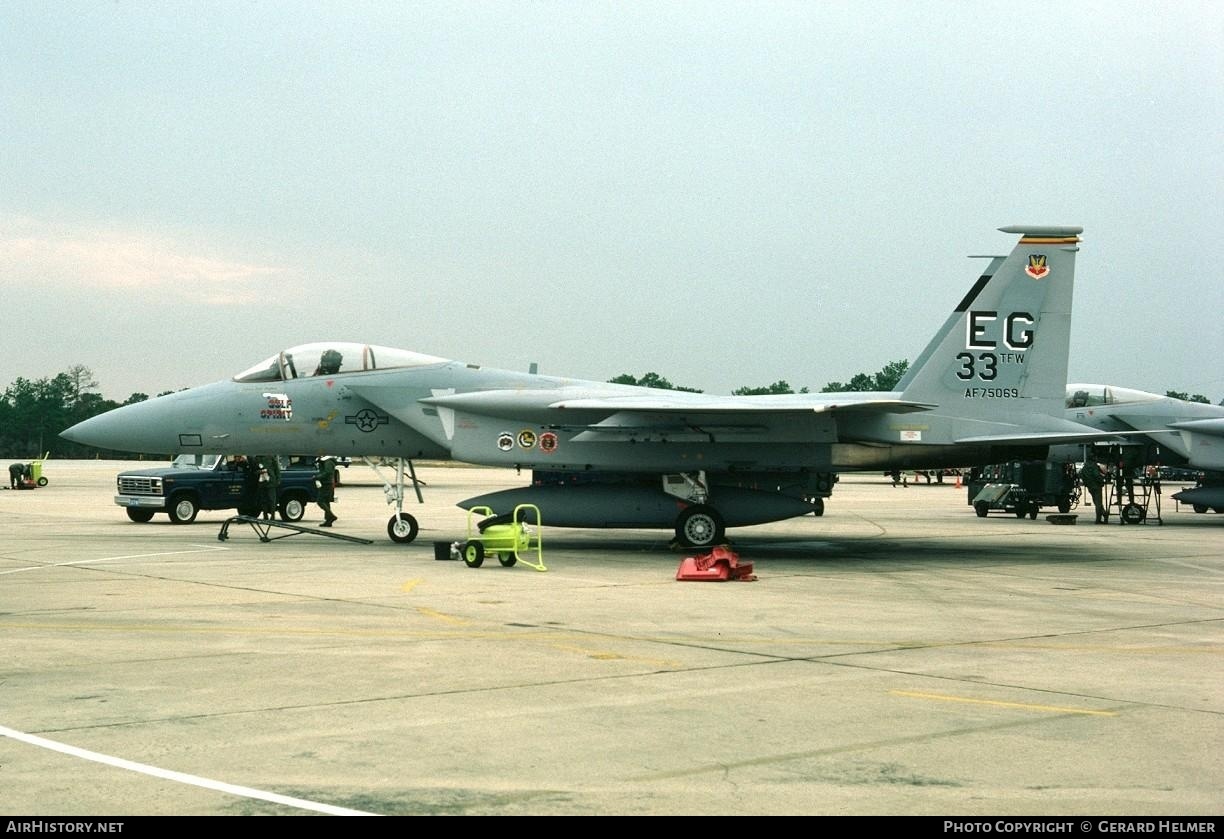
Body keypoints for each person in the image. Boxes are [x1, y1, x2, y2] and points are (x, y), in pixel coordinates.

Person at [253, 455, 281, 521]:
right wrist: (260, 472)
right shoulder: (257, 458)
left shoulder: (271, 457)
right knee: (263, 500)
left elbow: (277, 469)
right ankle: (265, 515)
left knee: (272, 500)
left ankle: (273, 516)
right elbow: (254, 471)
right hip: (262, 482)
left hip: (271, 482)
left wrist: (278, 480)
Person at [314, 455, 338, 526]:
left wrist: (317, 477)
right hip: (327, 483)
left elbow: (328, 473)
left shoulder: (328, 462)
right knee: (326, 502)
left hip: (326, 484)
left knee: (320, 501)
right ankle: (328, 521)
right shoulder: (326, 461)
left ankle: (331, 516)